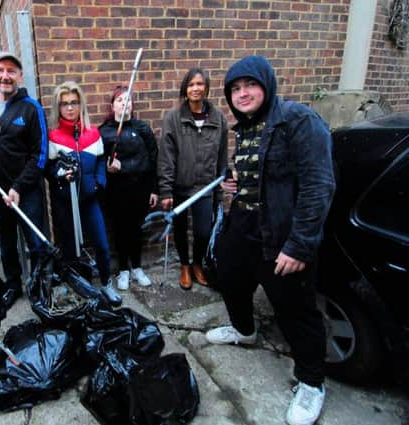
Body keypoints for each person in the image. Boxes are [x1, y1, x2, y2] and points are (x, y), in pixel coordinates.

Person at [205, 56, 335, 425]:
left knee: (294, 307)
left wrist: (299, 244)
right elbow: (258, 173)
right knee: (228, 277)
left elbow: (318, 185)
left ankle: (311, 383)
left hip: (280, 231)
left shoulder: (298, 121)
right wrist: (234, 182)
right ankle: (244, 331)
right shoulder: (245, 127)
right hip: (242, 223)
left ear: (267, 85)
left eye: (249, 85)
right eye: (234, 89)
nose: (242, 94)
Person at [0, 51, 48, 308]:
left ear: (19, 76)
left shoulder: (31, 108)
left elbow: (40, 155)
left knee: (35, 243)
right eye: (0, 70)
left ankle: (39, 288)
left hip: (27, 193)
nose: (5, 76)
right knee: (6, 244)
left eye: (11, 71)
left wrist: (18, 187)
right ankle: (13, 285)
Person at [47, 81, 121, 307]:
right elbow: (48, 167)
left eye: (74, 103)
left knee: (101, 243)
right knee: (70, 248)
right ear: (58, 107)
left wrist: (99, 182)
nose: (70, 108)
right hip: (65, 202)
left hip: (89, 200)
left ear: (81, 105)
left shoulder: (93, 133)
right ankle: (77, 288)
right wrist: (61, 173)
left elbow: (100, 160)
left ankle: (107, 283)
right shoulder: (53, 136)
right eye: (65, 104)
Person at [157, 68, 228, 290]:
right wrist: (166, 190)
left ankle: (198, 264)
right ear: (185, 89)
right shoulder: (173, 118)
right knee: (179, 229)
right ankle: (185, 266)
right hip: (179, 186)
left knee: (202, 231)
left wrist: (219, 190)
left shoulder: (218, 119)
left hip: (205, 187)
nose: (195, 88)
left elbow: (222, 156)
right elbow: (166, 156)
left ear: (206, 87)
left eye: (199, 84)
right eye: (190, 85)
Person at [99, 85, 158, 291]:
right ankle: (123, 269)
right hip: (116, 192)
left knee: (136, 229)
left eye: (128, 100)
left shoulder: (142, 129)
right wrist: (108, 167)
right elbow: (99, 163)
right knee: (120, 230)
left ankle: (137, 267)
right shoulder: (105, 132)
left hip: (140, 189)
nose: (125, 103)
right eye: (120, 100)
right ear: (113, 105)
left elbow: (152, 159)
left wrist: (154, 189)